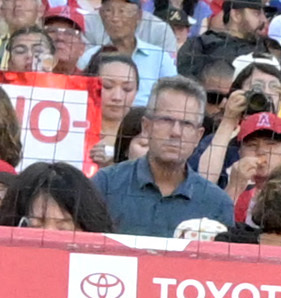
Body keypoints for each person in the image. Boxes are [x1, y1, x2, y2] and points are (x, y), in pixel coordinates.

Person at [94, 77, 230, 234]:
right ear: (146, 127)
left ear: (198, 137)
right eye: (166, 120)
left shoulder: (217, 203)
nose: (175, 132)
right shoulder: (105, 185)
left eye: (186, 124)